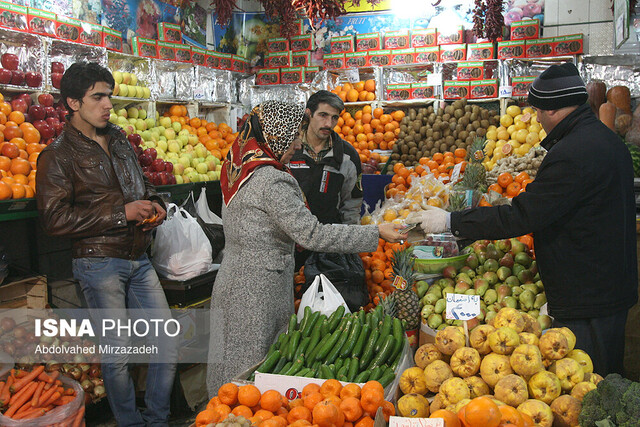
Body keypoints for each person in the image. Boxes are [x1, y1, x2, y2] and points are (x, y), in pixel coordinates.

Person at [408, 63, 638, 376]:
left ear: (553, 110)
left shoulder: (572, 153)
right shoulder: (606, 139)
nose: (538, 119)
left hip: (588, 296)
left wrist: (451, 221)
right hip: (607, 284)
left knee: (587, 383)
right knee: (606, 372)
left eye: (538, 111)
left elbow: (522, 215)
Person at [206, 101, 407, 395]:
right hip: (257, 291)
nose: (298, 143)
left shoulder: (239, 165)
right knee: (248, 376)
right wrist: (376, 233)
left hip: (233, 278)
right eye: (293, 135)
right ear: (275, 135)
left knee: (228, 363)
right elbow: (312, 234)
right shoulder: (272, 179)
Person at [36, 62, 177, 426]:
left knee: (167, 343)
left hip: (138, 256)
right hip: (98, 263)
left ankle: (158, 420)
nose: (107, 104)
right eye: (97, 97)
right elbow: (54, 221)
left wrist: (155, 206)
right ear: (72, 102)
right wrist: (122, 214)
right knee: (118, 356)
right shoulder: (57, 154)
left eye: (109, 96)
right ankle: (130, 423)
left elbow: (143, 187)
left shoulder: (118, 139)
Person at [289, 90, 364, 269]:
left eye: (334, 118)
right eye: (323, 115)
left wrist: (348, 250)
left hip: (329, 248)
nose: (328, 123)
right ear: (308, 114)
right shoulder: (290, 149)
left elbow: (351, 206)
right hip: (290, 247)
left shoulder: (347, 156)